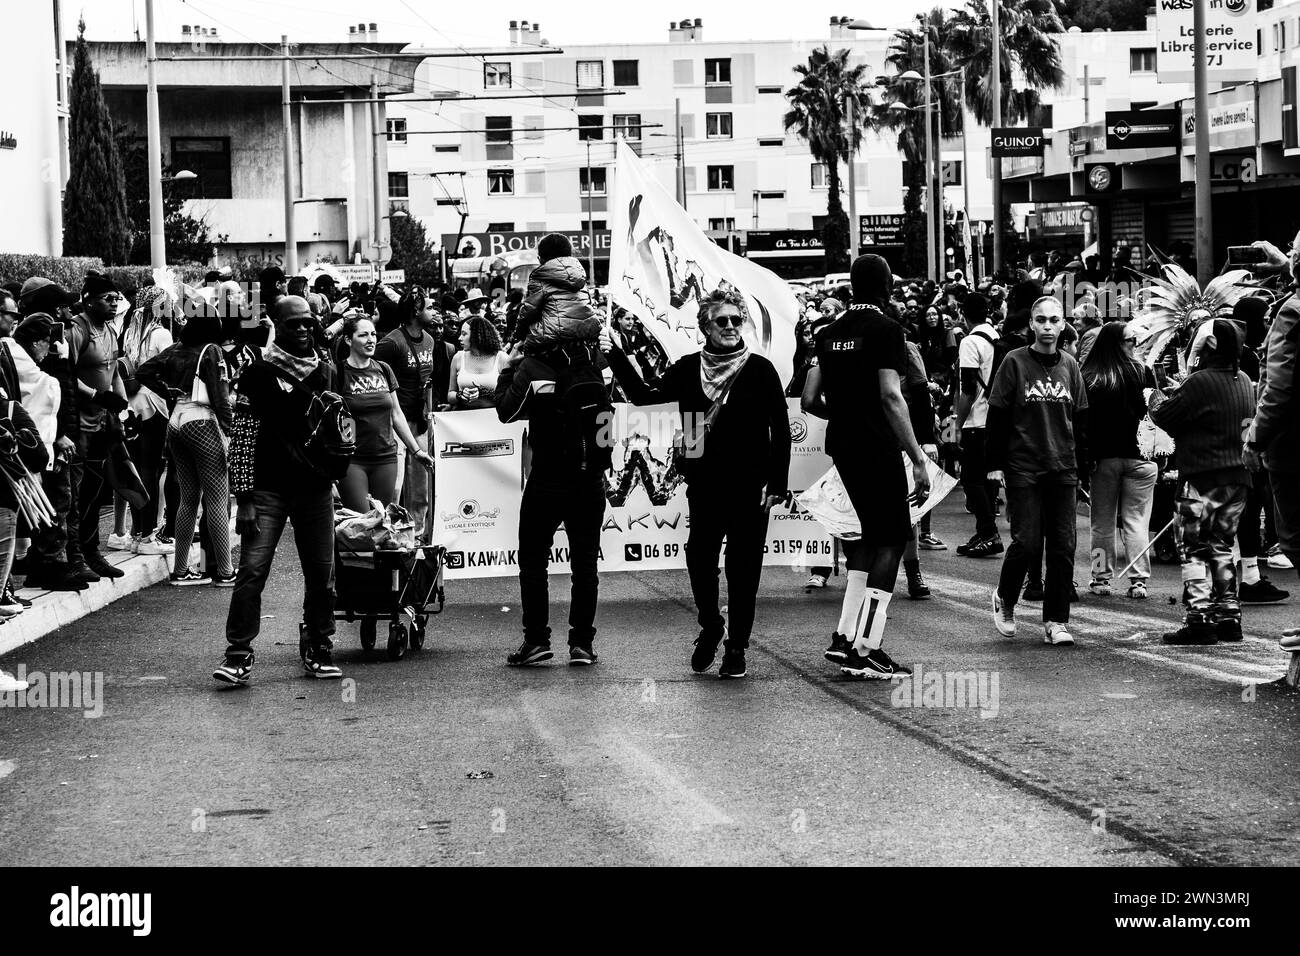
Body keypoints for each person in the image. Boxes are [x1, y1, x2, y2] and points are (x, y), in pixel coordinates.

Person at [604, 288, 790, 679]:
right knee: (699, 560)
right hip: (704, 483)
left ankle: (737, 647)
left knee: (743, 569)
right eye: (721, 321)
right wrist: (613, 353)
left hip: (750, 485)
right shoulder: (688, 367)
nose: (729, 326)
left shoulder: (760, 369)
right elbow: (642, 396)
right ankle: (711, 625)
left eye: (735, 320)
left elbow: (782, 428)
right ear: (705, 326)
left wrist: (777, 483)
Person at [802, 255, 931, 679]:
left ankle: (845, 638)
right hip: (877, 446)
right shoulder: (887, 330)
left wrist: (842, 414)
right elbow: (892, 396)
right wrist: (917, 457)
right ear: (888, 286)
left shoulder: (828, 332)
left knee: (868, 540)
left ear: (853, 287)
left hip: (842, 444)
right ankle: (868, 648)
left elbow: (808, 400)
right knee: (892, 539)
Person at [213, 296, 342, 685]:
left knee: (322, 574)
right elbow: (244, 438)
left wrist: (336, 474)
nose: (302, 330)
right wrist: (244, 499)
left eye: (308, 323)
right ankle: (238, 654)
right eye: (294, 324)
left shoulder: (326, 372)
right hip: (267, 493)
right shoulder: (257, 374)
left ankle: (318, 645)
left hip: (316, 491)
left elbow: (337, 430)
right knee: (252, 571)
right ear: (277, 326)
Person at [496, 338, 610, 669]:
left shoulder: (532, 366)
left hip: (547, 478)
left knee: (533, 563)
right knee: (585, 565)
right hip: (590, 478)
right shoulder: (597, 361)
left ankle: (536, 642)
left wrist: (509, 367)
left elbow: (507, 411)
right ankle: (582, 645)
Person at [987, 296, 1089, 646]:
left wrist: (1084, 466)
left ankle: (1056, 621)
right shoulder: (1013, 362)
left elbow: (1081, 419)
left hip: (1063, 466)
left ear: (1063, 325)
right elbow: (997, 416)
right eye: (1041, 320)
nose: (1047, 326)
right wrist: (994, 465)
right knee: (1027, 542)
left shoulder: (1071, 366)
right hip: (1023, 466)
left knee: (1063, 546)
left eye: (1054, 320)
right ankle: (1005, 597)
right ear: (1031, 324)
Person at [1152, 319, 1256, 644]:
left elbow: (1164, 415)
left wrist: (1155, 396)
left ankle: (1198, 619)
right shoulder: (1244, 380)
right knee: (1222, 546)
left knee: (1193, 549)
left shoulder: (1199, 381)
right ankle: (1229, 617)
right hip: (1237, 478)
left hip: (1200, 477)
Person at [136, 313, 234, 586]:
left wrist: (168, 390)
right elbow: (220, 395)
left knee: (188, 498)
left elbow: (143, 371)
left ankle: (181, 570)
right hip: (202, 420)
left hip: (176, 418)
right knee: (216, 497)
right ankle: (225, 571)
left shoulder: (176, 349)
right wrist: (231, 430)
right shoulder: (211, 350)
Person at [1245, 239, 1300, 651]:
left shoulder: (1292, 311)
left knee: (1295, 536)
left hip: (1291, 445)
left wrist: (1255, 438)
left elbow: (1277, 388)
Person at [1081, 321, 1158, 599]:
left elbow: (1084, 422)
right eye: (1130, 341)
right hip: (1141, 458)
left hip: (1104, 459)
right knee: (1136, 521)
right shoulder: (1142, 372)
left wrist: (1085, 456)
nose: (1134, 345)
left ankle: (1101, 578)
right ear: (1118, 343)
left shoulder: (1091, 376)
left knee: (1101, 523)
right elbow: (1155, 414)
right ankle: (1138, 580)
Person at [374, 288, 453, 543]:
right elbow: (373, 374)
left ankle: (417, 533)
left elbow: (430, 382)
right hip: (395, 421)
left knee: (421, 483)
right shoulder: (391, 342)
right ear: (415, 312)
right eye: (429, 308)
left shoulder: (430, 341)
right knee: (395, 484)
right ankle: (388, 532)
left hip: (420, 420)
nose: (434, 311)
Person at [67, 273, 130, 581]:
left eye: (117, 299)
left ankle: (92, 552)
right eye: (108, 299)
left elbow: (114, 369)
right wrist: (96, 395)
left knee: (93, 491)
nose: (114, 304)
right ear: (88, 299)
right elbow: (66, 375)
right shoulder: (76, 330)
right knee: (74, 495)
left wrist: (120, 405)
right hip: (78, 423)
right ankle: (74, 556)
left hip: (103, 421)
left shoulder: (109, 329)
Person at [336, 314, 432, 511]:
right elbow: (332, 419)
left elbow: (396, 414)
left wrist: (417, 451)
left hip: (386, 458)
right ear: (348, 340)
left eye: (373, 334)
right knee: (361, 524)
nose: (371, 339)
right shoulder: (337, 373)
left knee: (381, 524)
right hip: (353, 460)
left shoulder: (383, 369)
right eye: (363, 335)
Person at [1232, 295, 1290, 605]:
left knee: (1250, 509)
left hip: (1253, 437)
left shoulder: (1253, 353)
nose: (1269, 323)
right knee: (1244, 508)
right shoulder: (1245, 358)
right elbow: (1270, 396)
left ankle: (1247, 576)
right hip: (1246, 440)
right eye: (1265, 318)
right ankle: (1232, 581)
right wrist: (1253, 439)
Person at [111, 285, 177, 557]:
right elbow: (173, 367)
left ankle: (137, 533)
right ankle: (149, 535)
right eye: (168, 303)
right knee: (151, 468)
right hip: (154, 403)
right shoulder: (161, 333)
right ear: (159, 306)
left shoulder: (129, 332)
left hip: (131, 404)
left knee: (136, 468)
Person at [953, 292, 1004, 559]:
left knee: (970, 479)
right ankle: (984, 531)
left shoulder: (971, 341)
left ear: (963, 313)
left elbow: (968, 388)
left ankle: (988, 532)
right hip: (996, 419)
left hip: (976, 420)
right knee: (986, 477)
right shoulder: (996, 338)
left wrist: (958, 424)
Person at [515, 233, 601, 353]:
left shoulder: (538, 278)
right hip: (584, 338)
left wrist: (518, 335)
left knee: (518, 364)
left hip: (550, 341)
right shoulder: (579, 275)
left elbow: (528, 312)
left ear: (541, 258)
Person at [449, 317, 510, 410]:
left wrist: (486, 393)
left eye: (464, 334)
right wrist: (460, 395)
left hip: (494, 418)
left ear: (477, 336)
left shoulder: (502, 358)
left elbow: (510, 396)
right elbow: (450, 395)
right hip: (464, 418)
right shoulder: (458, 357)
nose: (459, 338)